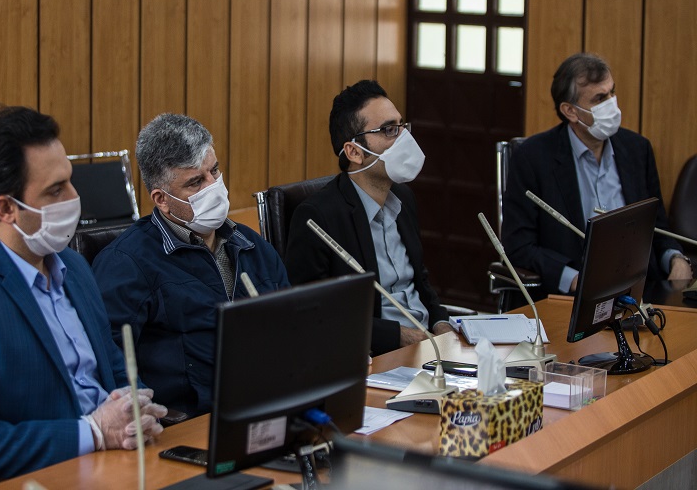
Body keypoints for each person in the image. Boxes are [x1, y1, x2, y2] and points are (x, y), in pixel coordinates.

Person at [0, 106, 166, 479]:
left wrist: (137, 407)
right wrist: (94, 432)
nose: (74, 196)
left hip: (124, 463)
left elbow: (116, 370)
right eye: (55, 189)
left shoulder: (73, 266)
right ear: (7, 208)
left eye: (69, 180)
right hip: (50, 476)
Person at [93, 113, 289, 418]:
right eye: (196, 182)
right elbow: (108, 361)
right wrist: (147, 414)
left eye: (214, 171)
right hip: (188, 422)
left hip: (268, 406)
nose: (214, 186)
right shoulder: (126, 264)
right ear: (162, 199)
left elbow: (290, 328)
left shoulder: (251, 245)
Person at [501, 53, 692, 303]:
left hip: (641, 293)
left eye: (612, 92)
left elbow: (657, 226)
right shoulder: (532, 158)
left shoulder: (637, 149)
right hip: (572, 299)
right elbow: (519, 246)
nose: (612, 104)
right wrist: (575, 280)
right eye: (600, 99)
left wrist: (675, 258)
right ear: (570, 111)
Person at [285, 80, 452, 356]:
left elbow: (419, 281)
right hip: (376, 355)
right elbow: (313, 313)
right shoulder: (318, 217)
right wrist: (399, 336)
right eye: (389, 130)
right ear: (354, 152)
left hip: (428, 347)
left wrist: (442, 324)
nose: (403, 138)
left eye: (401, 126)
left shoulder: (404, 198)